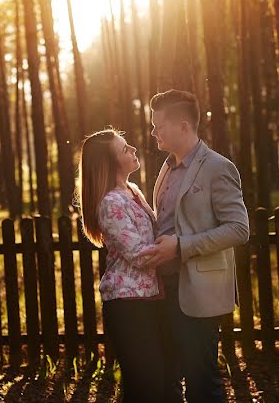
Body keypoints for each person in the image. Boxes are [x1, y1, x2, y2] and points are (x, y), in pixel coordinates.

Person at [142, 89, 250, 402]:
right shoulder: (166, 167)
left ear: (184, 127)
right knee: (167, 378)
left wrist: (181, 246)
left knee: (202, 381)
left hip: (196, 291)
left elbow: (239, 229)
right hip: (162, 288)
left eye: (159, 126)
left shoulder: (218, 168)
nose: (154, 132)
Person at [77, 128, 164, 402]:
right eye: (125, 149)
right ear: (110, 162)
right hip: (128, 304)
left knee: (154, 381)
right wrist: (178, 249)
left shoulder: (132, 191)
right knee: (142, 384)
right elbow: (137, 253)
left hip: (147, 298)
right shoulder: (111, 203)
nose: (134, 150)